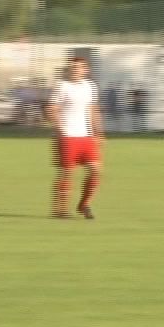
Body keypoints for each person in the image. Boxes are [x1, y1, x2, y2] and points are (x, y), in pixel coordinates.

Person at [47, 55, 105, 220]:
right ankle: (61, 209)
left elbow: (93, 110)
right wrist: (60, 129)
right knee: (67, 173)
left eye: (78, 67)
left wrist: (99, 133)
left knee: (96, 170)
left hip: (86, 136)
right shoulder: (61, 86)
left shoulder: (91, 86)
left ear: (86, 70)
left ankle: (84, 204)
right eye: (72, 67)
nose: (74, 69)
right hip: (68, 136)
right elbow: (52, 109)